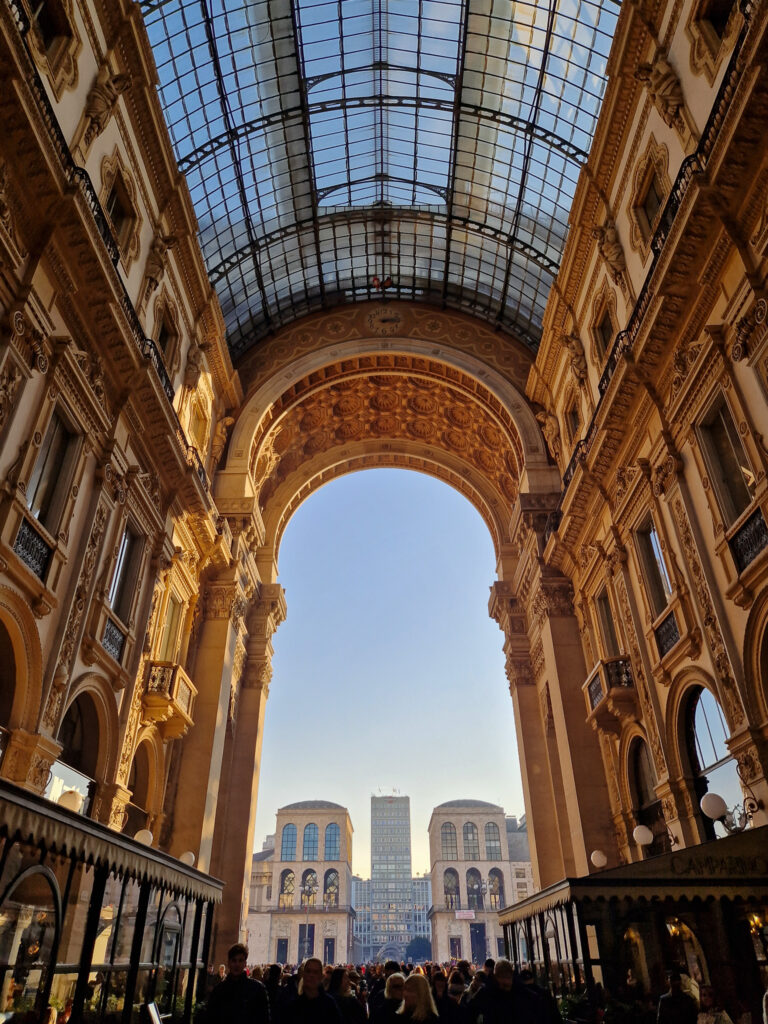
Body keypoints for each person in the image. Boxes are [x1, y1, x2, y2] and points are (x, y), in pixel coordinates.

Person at [204, 943, 270, 1024]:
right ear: (228, 963)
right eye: (234, 960)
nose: (237, 964)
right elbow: (211, 1017)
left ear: (245, 963)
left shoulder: (258, 989)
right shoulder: (219, 990)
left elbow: (264, 1018)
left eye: (240, 960)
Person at [283, 958, 343, 1024]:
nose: (311, 975)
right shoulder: (293, 1005)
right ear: (303, 974)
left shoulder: (330, 1004)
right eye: (308, 971)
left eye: (315, 972)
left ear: (321, 976)